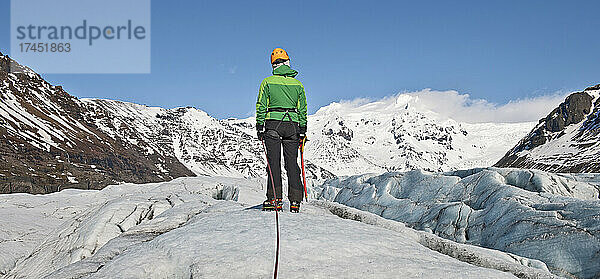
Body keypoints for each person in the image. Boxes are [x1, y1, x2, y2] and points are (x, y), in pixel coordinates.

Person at [256, 47, 307, 213]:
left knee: (273, 163)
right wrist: (302, 129)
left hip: (273, 125)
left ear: (273, 65)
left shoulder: (267, 82)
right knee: (292, 163)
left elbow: (261, 105)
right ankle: (295, 201)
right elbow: (302, 109)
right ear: (288, 63)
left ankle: (274, 199)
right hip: (292, 125)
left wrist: (259, 125)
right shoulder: (298, 84)